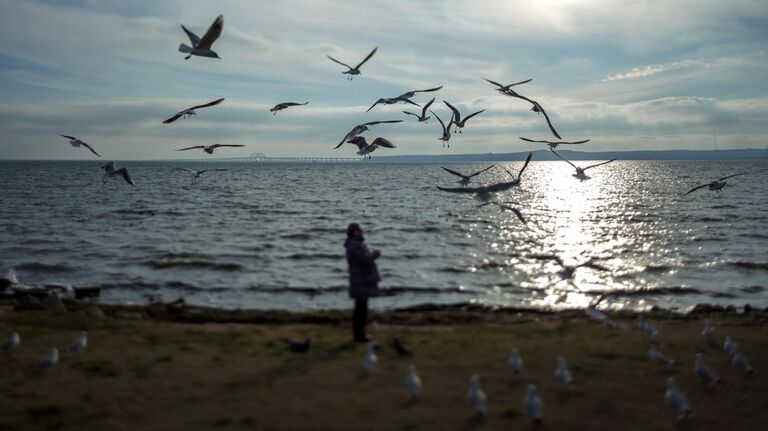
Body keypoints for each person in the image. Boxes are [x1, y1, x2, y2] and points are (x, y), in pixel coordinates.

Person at [344, 223, 380, 342]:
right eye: (358, 229)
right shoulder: (355, 245)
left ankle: (359, 335)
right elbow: (365, 259)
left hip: (359, 279)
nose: (361, 231)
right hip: (361, 280)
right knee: (361, 309)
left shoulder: (354, 244)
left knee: (360, 307)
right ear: (353, 232)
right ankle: (359, 336)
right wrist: (374, 255)